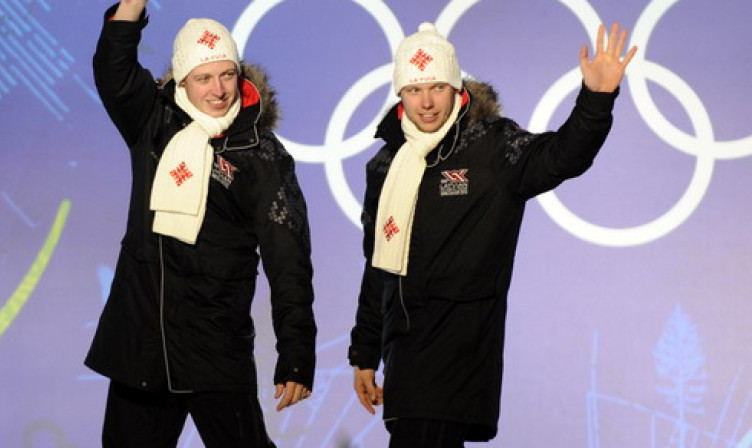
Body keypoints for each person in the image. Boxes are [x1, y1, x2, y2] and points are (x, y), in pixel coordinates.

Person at [348, 22, 637, 447]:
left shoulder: (492, 147)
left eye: (438, 88)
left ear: (457, 88)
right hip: (404, 353)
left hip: (460, 347)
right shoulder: (385, 165)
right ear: (399, 95)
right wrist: (365, 354)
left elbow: (563, 156)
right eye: (414, 90)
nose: (426, 103)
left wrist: (597, 98)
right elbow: (379, 266)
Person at [84, 1, 317, 446]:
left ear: (240, 74)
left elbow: (289, 261)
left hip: (215, 347)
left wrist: (296, 352)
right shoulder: (153, 121)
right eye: (204, 78)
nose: (218, 89)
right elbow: (113, 68)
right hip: (143, 345)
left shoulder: (262, 154)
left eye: (227, 74)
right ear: (182, 81)